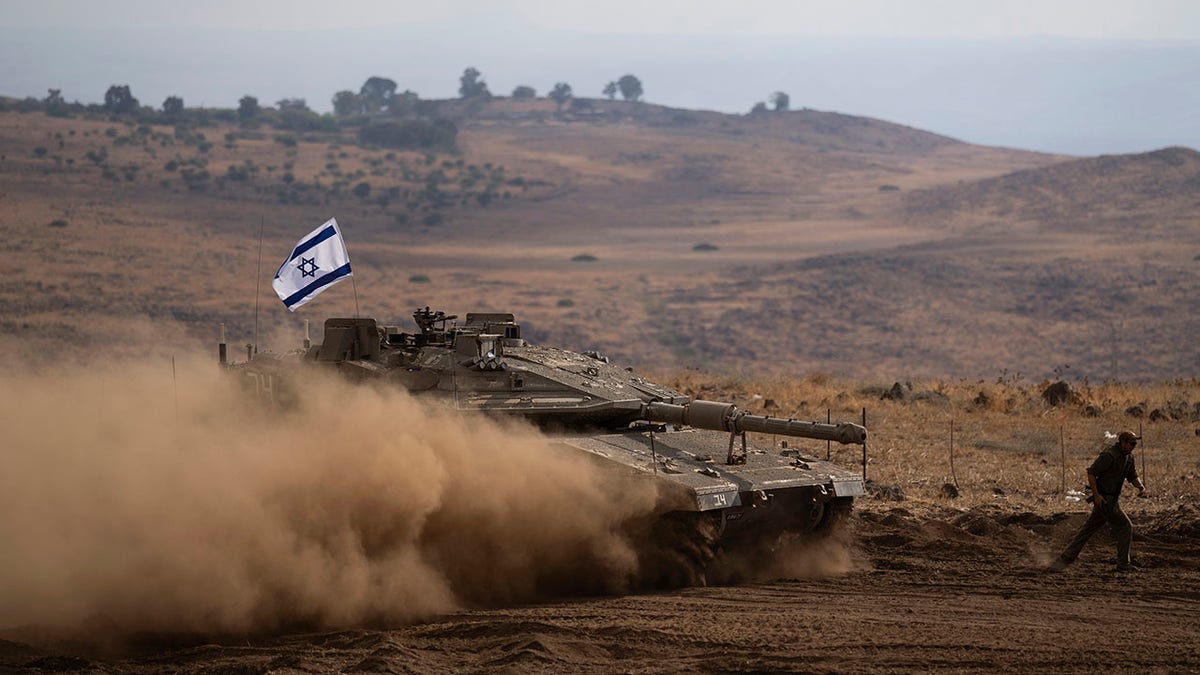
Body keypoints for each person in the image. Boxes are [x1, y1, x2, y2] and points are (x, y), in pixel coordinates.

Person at [1049, 431, 1147, 572]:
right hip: (1105, 499)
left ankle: (1064, 559)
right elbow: (1092, 472)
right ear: (1123, 442)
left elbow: (1132, 476)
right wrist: (1096, 496)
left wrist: (1141, 487)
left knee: (1088, 530)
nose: (1134, 446)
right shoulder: (1109, 455)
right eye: (1132, 443)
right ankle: (1123, 564)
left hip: (1111, 499)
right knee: (1125, 526)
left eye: (1135, 444)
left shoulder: (1129, 457)